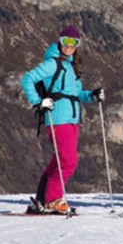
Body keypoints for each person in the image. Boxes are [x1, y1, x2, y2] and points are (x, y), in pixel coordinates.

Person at [20, 25, 103, 214]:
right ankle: (53, 199)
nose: (70, 45)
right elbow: (27, 79)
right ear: (60, 41)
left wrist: (93, 95)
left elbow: (77, 93)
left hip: (73, 119)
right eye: (66, 41)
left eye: (74, 43)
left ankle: (43, 197)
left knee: (60, 160)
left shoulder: (72, 65)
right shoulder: (52, 63)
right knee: (68, 161)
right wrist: (38, 102)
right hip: (57, 118)